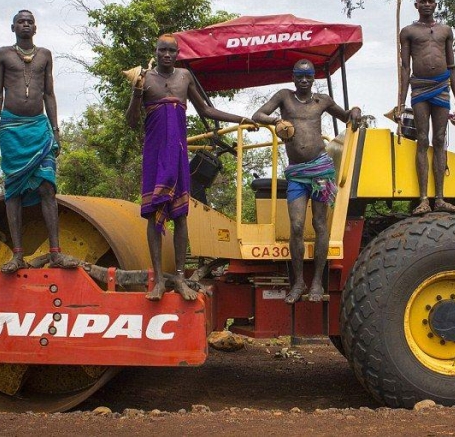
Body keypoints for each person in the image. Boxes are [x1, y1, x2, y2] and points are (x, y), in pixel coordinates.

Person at [127, 34, 253, 301]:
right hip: (154, 152)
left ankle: (181, 279)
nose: (167, 55)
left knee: (181, 214)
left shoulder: (184, 77)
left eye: (172, 51)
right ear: (156, 50)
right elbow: (131, 122)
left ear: (177, 53)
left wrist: (242, 118)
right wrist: (136, 93)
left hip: (178, 151)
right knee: (152, 213)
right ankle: (159, 281)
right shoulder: (145, 78)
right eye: (162, 50)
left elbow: (207, 110)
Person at [252, 59, 362, 304]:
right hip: (297, 174)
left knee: (320, 224)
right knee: (297, 226)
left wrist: (354, 110)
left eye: (308, 76)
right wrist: (276, 122)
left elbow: (346, 117)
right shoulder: (284, 97)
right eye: (299, 76)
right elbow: (258, 114)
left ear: (314, 78)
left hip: (321, 170)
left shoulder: (322, 101)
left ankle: (317, 282)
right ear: (293, 77)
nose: (303, 80)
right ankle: (299, 281)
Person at [0, 10, 77, 273]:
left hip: (39, 128)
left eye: (30, 21)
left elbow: (49, 93)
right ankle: (17, 255)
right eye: (21, 21)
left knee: (48, 187)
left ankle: (56, 252)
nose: (25, 24)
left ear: (35, 28)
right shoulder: (2, 54)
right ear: (12, 26)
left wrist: (55, 129)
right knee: (13, 191)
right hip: (12, 128)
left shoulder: (45, 55)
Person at [398, 0, 455, 216]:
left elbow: (452, 66)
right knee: (422, 139)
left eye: (430, 0)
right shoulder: (408, 31)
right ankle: (423, 199)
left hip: (442, 86)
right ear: (416, 4)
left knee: (439, 139)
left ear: (436, 4)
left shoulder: (445, 30)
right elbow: (405, 68)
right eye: (422, 0)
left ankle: (440, 198)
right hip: (419, 88)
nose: (427, 4)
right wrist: (400, 101)